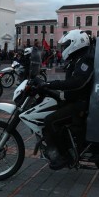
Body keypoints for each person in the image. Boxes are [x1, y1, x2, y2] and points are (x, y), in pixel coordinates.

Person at [38, 29, 94, 170]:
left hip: (80, 104)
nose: (64, 48)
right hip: (76, 100)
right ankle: (63, 145)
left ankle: (63, 156)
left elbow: (77, 83)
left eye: (66, 44)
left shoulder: (85, 60)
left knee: (50, 121)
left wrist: (51, 84)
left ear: (76, 43)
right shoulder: (78, 58)